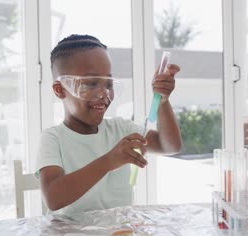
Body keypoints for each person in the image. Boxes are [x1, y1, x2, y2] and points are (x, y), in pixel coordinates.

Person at [36, 34, 182, 216]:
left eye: (108, 84)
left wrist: (162, 101)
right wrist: (109, 161)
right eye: (90, 84)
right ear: (60, 90)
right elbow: (53, 198)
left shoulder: (120, 129)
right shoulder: (53, 138)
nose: (103, 94)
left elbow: (169, 145)